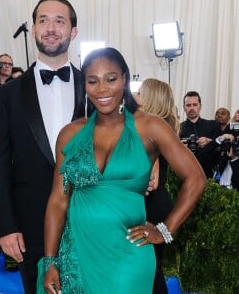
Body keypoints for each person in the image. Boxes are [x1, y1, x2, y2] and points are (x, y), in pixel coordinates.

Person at [37, 47, 206, 294]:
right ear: (85, 85)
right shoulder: (70, 134)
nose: (102, 89)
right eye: (93, 81)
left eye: (111, 79)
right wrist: (51, 260)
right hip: (78, 252)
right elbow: (58, 201)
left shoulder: (150, 127)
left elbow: (196, 178)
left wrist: (165, 230)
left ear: (125, 79)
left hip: (129, 255)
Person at [0, 0, 86, 294]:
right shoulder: (7, 94)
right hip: (31, 223)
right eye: (43, 20)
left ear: (74, 31)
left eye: (60, 21)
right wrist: (6, 226)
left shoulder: (96, 89)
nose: (51, 28)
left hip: (89, 216)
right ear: (32, 29)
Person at [137, 78, 179, 294]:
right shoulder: (166, 129)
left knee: (149, 274)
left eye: (141, 94)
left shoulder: (154, 132)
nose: (136, 98)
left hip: (150, 207)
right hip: (158, 205)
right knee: (152, 271)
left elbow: (150, 182)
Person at [179, 91, 220, 178]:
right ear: (184, 108)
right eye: (188, 105)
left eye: (195, 104)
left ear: (200, 106)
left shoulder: (213, 125)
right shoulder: (178, 128)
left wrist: (211, 141)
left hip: (210, 176)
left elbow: (222, 147)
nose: (192, 108)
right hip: (185, 175)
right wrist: (180, 147)